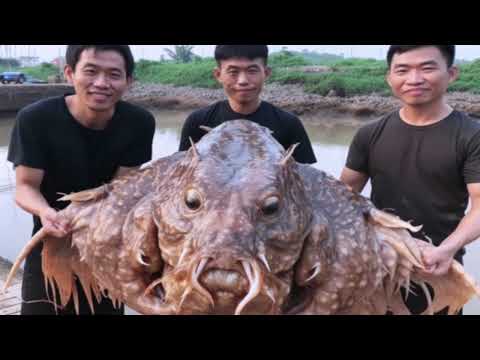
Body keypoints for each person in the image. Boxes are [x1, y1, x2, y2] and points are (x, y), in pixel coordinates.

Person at [8, 45, 156, 315]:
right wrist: (45, 212)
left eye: (114, 74)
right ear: (69, 73)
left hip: (106, 247)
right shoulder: (35, 119)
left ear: (128, 81)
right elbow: (25, 186)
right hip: (50, 243)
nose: (101, 83)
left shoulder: (140, 123)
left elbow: (121, 190)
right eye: (91, 71)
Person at [340, 45, 480, 314]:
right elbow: (343, 194)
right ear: (389, 78)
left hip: (436, 270)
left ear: (451, 73)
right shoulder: (369, 134)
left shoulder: (471, 136)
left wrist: (447, 249)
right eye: (402, 70)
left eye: (427, 68)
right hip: (376, 267)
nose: (414, 79)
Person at [178, 45, 317, 164]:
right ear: (218, 74)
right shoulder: (197, 121)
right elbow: (181, 175)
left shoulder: (289, 124)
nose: (243, 80)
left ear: (266, 73)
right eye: (233, 72)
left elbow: (305, 184)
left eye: (252, 71)